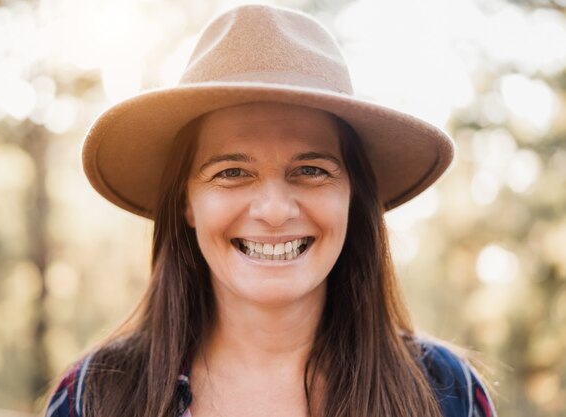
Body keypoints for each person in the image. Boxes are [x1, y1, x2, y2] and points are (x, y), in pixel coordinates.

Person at [45, 4, 497, 417]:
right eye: (232, 172)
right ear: (186, 202)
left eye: (312, 170)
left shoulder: (446, 393)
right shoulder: (94, 398)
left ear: (353, 196)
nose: (275, 211)